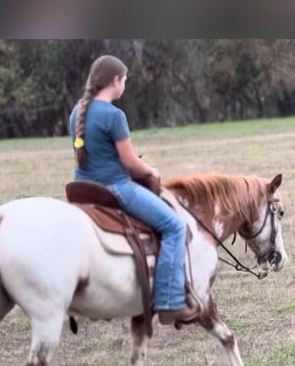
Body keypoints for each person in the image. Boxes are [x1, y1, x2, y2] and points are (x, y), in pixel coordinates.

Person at [69, 55, 199, 323]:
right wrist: (151, 170)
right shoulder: (115, 116)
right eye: (124, 81)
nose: (124, 86)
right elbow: (129, 162)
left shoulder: (76, 112)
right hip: (115, 188)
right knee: (174, 226)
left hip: (81, 188)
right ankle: (169, 301)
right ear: (115, 81)